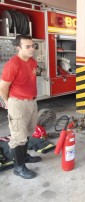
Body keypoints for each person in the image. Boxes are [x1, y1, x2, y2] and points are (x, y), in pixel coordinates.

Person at [0, 34, 41, 179]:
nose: (32, 49)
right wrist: (8, 102)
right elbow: (3, 88)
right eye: (28, 46)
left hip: (31, 102)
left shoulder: (32, 62)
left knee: (27, 132)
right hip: (17, 103)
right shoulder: (12, 64)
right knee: (18, 137)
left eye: (33, 45)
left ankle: (24, 157)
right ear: (18, 48)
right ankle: (18, 167)